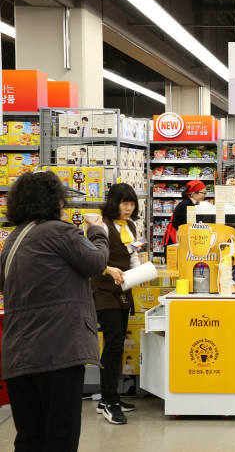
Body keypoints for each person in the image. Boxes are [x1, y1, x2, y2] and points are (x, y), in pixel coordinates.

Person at [0, 171, 109, 451]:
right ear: (53, 201)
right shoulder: (59, 232)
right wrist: (98, 231)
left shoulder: (14, 238)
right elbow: (96, 262)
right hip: (59, 351)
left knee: (29, 437)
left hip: (19, 354)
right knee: (61, 436)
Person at [93, 183, 143, 425]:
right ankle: (110, 401)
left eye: (132, 203)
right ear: (114, 203)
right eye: (124, 202)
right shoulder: (100, 225)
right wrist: (108, 269)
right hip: (102, 291)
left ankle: (108, 397)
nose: (129, 207)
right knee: (113, 343)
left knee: (117, 343)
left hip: (123, 290)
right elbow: (91, 259)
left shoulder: (130, 225)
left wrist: (142, 270)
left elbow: (133, 255)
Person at [163, 180, 207, 245]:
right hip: (175, 240)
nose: (205, 196)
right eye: (203, 193)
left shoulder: (188, 203)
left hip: (178, 238)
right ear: (194, 193)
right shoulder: (187, 205)